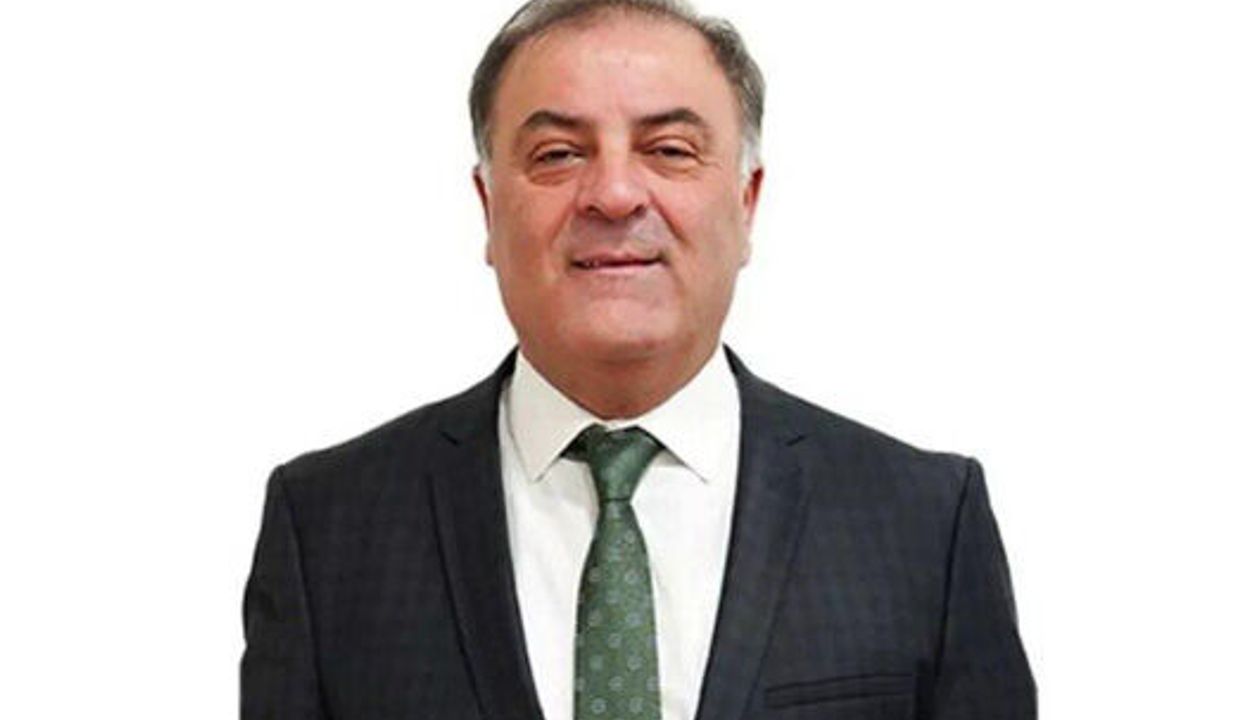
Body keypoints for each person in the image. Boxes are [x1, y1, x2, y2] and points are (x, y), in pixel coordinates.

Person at [239, 0, 1036, 718]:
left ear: (746, 201)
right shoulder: (328, 528)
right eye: (558, 154)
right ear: (487, 205)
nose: (614, 194)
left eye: (670, 149)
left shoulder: (924, 522)